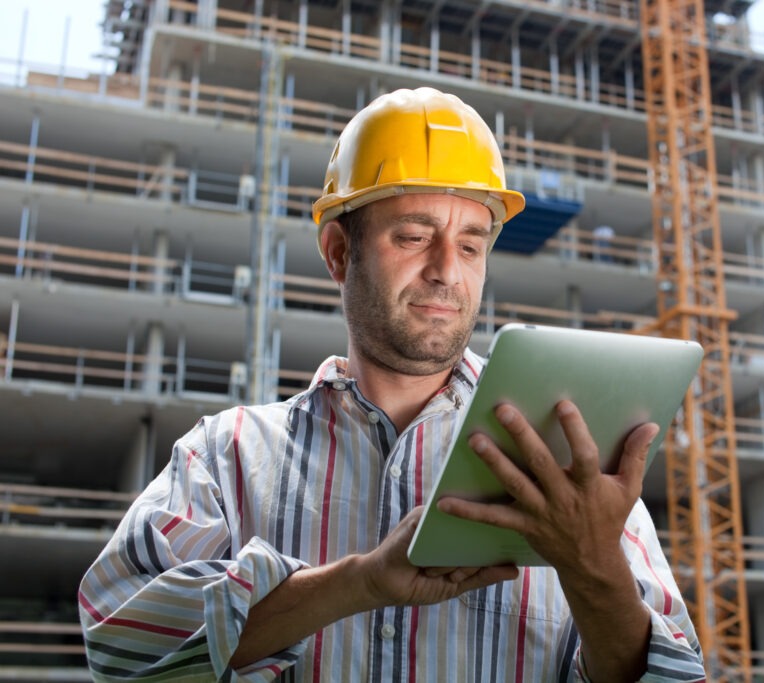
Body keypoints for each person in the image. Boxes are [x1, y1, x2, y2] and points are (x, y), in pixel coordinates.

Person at [79, 87, 704, 682]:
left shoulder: (566, 461)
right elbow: (120, 645)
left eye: (470, 244)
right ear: (337, 252)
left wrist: (593, 567)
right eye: (413, 236)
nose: (445, 272)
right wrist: (357, 583)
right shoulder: (226, 456)